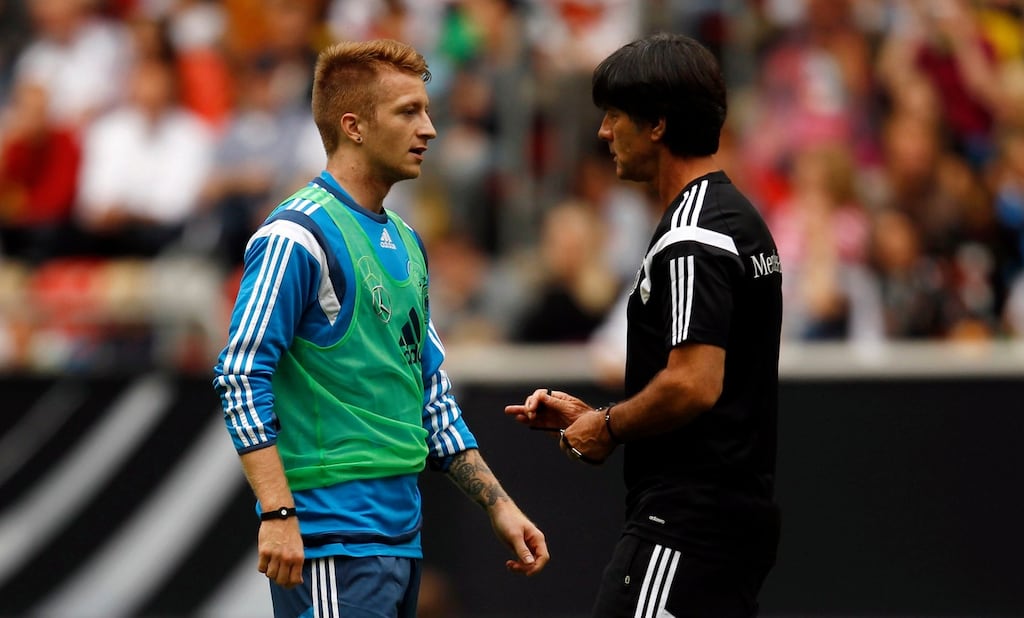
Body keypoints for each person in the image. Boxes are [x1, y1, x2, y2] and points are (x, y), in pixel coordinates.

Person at [213, 39, 548, 618]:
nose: (431, 128)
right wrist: (278, 513)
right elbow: (241, 373)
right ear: (354, 126)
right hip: (332, 539)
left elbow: (430, 395)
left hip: (399, 537)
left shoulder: (408, 243)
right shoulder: (297, 235)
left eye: (427, 109)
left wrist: (499, 506)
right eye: (409, 111)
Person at [506, 33, 782, 616]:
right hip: (728, 518)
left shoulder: (692, 236)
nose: (604, 132)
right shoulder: (737, 217)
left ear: (657, 124)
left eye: (614, 116)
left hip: (685, 523)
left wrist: (607, 426)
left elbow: (693, 383)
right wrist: (597, 417)